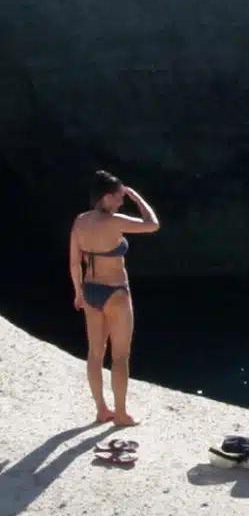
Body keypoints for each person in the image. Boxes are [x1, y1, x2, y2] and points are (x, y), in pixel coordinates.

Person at [67, 171, 160, 426]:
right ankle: (120, 414)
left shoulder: (80, 221)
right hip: (116, 291)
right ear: (107, 197)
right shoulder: (114, 222)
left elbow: (75, 263)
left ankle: (101, 410)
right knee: (120, 356)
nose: (121, 202)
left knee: (95, 353)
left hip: (90, 291)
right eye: (119, 198)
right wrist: (138, 197)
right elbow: (152, 224)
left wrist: (78, 293)